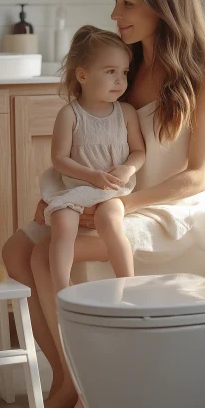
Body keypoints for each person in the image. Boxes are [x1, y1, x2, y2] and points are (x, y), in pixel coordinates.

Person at [2, 0, 205, 408]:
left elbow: (198, 175)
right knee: (17, 248)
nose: (115, 14)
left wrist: (119, 204)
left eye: (127, 2)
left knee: (48, 252)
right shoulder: (127, 61)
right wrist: (64, 191)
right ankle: (65, 374)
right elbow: (95, 140)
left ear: (162, 1)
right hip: (108, 197)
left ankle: (92, 393)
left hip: (169, 205)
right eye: (115, 1)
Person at [41, 24, 145, 294]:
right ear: (83, 75)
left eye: (124, 72)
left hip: (112, 190)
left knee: (110, 221)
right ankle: (62, 288)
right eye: (110, 72)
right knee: (63, 224)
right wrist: (91, 176)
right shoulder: (70, 114)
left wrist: (127, 169)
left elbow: (139, 151)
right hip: (77, 188)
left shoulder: (126, 112)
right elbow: (59, 159)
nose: (120, 80)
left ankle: (128, 285)